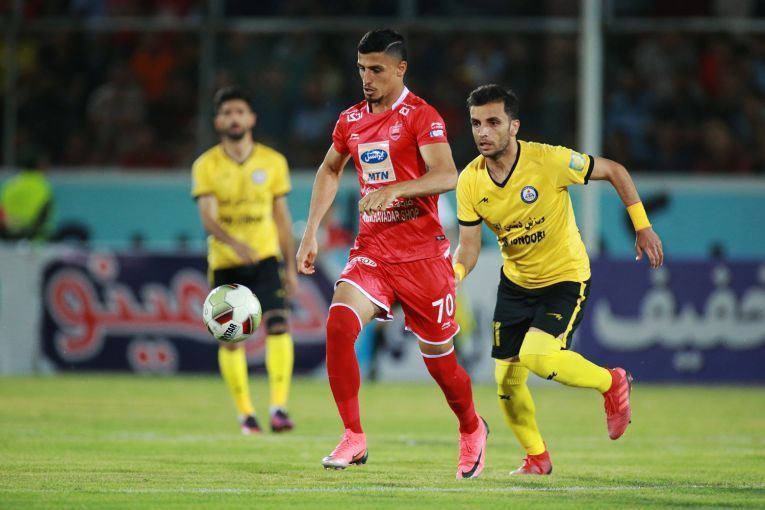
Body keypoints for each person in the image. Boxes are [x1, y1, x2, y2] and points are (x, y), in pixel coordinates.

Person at [296, 29, 488, 479]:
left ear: (401, 69)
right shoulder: (350, 120)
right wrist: (310, 232)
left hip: (423, 257)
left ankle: (471, 427)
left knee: (441, 364)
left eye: (377, 69)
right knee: (339, 326)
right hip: (373, 251)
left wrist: (396, 190)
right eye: (362, 69)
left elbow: (447, 175)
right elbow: (329, 169)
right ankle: (353, 436)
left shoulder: (421, 116)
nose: (367, 78)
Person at [453, 84, 663, 475]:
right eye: (476, 123)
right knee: (507, 382)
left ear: (514, 126)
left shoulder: (548, 160)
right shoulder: (470, 181)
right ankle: (537, 457)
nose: (483, 132)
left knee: (537, 355)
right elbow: (468, 247)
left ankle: (612, 382)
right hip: (516, 284)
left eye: (493, 122)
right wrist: (455, 275)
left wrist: (643, 226)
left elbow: (614, 170)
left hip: (564, 278)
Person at [191, 86, 297, 434]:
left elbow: (282, 218)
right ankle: (246, 414)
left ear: (251, 118)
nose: (233, 118)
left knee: (278, 324)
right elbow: (207, 217)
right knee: (230, 337)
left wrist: (290, 267)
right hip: (226, 261)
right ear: (218, 121)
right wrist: (234, 243)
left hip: (265, 257)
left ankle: (279, 408)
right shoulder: (206, 165)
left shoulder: (273, 162)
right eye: (227, 113)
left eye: (239, 112)